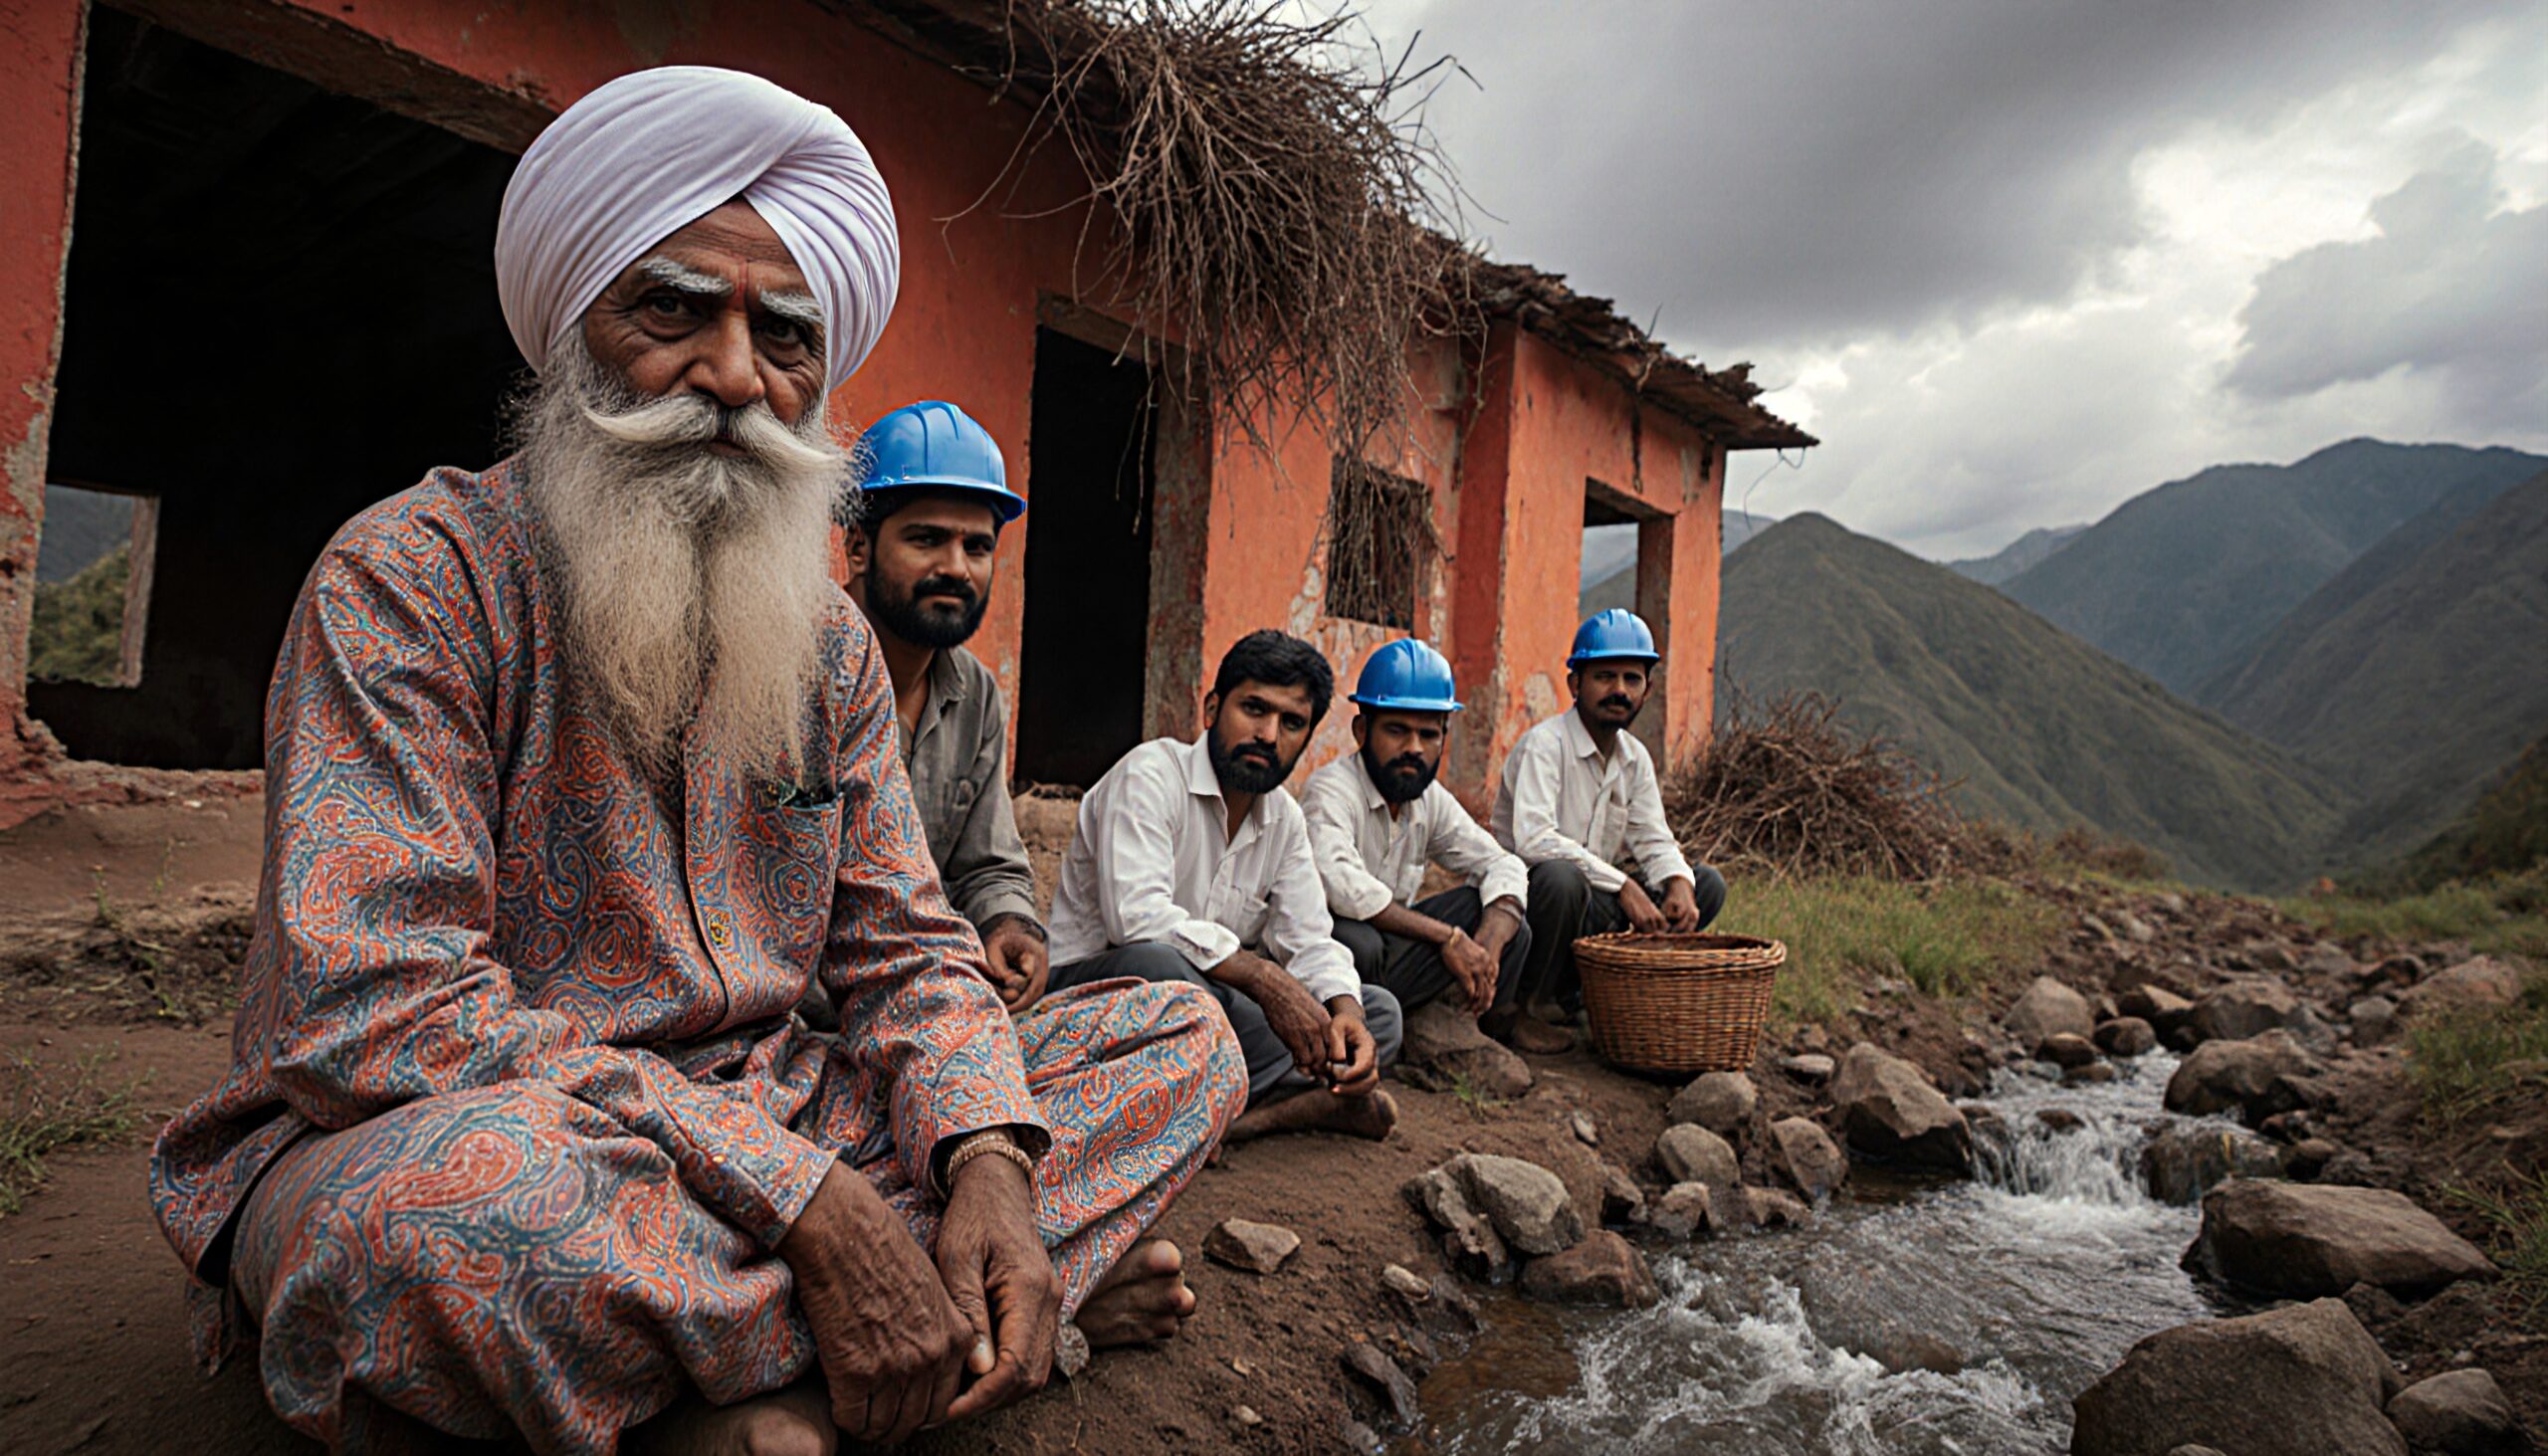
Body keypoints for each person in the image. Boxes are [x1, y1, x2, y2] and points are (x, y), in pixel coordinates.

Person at [145, 68, 1245, 1456]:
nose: (734, 376)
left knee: (1178, 1038)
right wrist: (807, 1201)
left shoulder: (831, 647)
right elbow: (377, 1009)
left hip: (782, 1107)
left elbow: (908, 948)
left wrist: (987, 1166)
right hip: (504, 1133)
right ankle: (945, 1330)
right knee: (409, 1235)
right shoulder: (412, 579)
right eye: (670, 310)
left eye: (785, 335)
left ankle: (771, 1376)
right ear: (570, 328)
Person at [1041, 630, 1405, 1143]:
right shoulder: (1149, 774)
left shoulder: (1284, 820)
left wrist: (1346, 1013)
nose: (1268, 735)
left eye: (1292, 723)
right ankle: (1269, 1105)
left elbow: (1309, 939)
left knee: (1377, 1014)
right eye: (1254, 709)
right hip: (1104, 997)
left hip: (1213, 1005)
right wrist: (1262, 978)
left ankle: (1225, 1115)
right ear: (1212, 708)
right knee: (1163, 969)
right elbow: (1136, 918)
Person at [841, 399, 1048, 1014]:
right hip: (797, 1012)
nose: (956, 568)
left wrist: (1009, 926)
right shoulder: (785, 673)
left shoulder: (975, 694)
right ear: (858, 546)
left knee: (1187, 1016)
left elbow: (989, 867)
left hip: (931, 998)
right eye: (927, 539)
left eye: (977, 546)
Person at [1300, 639, 1568, 1054]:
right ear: (1361, 731)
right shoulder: (1331, 790)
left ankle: (1474, 1024)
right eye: (1397, 731)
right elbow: (1345, 888)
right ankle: (1376, 1027)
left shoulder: (1428, 798)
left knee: (1507, 919)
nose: (1414, 748)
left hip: (1392, 953)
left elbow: (1499, 862)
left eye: (1428, 734)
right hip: (1333, 959)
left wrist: (1487, 945)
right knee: (1359, 941)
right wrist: (1449, 938)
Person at [1492, 608, 1730, 1019]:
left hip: (1591, 903)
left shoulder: (1634, 758)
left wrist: (1678, 882)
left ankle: (1606, 993)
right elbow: (1534, 841)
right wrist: (1623, 886)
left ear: (1647, 690)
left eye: (1631, 679)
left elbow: (1653, 837)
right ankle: (1531, 1006)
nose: (1618, 690)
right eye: (1604, 677)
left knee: (1705, 884)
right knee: (1561, 879)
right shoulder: (1544, 746)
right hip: (1530, 910)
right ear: (1575, 684)